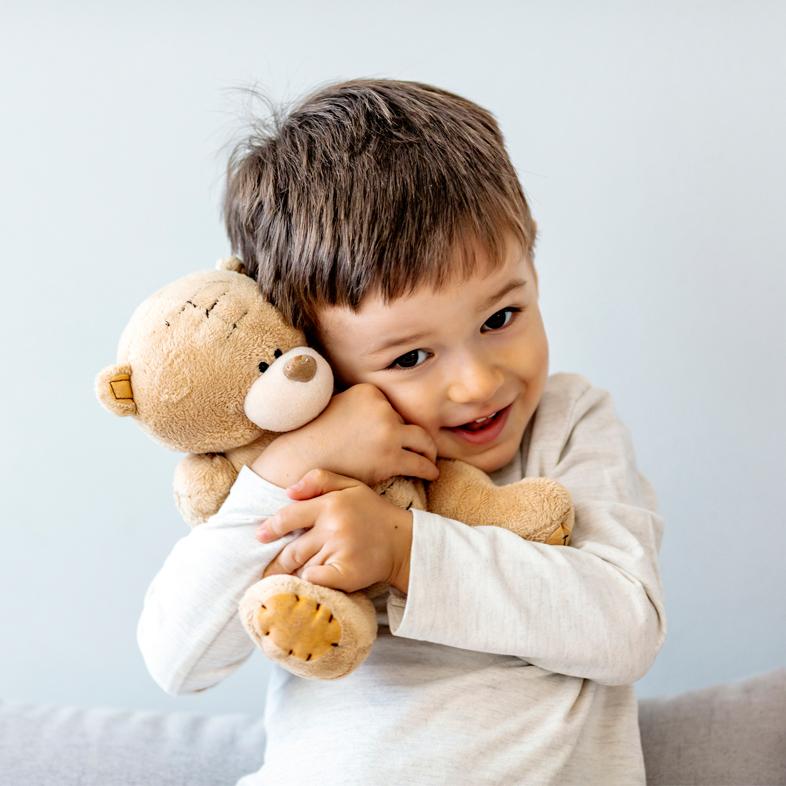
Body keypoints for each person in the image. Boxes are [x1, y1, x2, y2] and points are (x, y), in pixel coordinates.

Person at [137, 79, 667, 785]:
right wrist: (280, 474)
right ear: (316, 356)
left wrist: (402, 548)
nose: (478, 382)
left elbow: (623, 626)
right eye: (411, 357)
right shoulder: (302, 469)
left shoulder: (568, 424)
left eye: (501, 317)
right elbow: (177, 660)